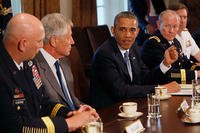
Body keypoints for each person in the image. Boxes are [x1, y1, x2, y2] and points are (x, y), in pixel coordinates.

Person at [0, 13, 99, 133]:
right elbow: (16, 127)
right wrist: (68, 123)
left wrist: (69, 113)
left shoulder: (28, 63)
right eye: (39, 41)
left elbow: (43, 101)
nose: (42, 46)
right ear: (23, 44)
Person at [91, 11, 180, 109]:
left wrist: (165, 63)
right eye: (122, 29)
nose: (128, 35)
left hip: (132, 105)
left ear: (137, 32)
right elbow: (121, 90)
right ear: (113, 30)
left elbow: (146, 78)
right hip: (109, 111)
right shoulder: (105, 54)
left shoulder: (134, 48)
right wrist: (161, 89)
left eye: (132, 30)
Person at [34, 13, 93, 111]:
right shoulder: (34, 66)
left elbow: (70, 98)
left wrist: (85, 109)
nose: (72, 42)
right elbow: (42, 108)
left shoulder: (65, 61)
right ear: (54, 41)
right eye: (68, 37)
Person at [141, 10, 200, 84]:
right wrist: (195, 74)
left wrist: (198, 69)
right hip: (158, 88)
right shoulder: (152, 44)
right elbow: (168, 73)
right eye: (167, 26)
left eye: (175, 26)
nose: (171, 31)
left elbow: (184, 63)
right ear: (159, 25)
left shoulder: (175, 41)